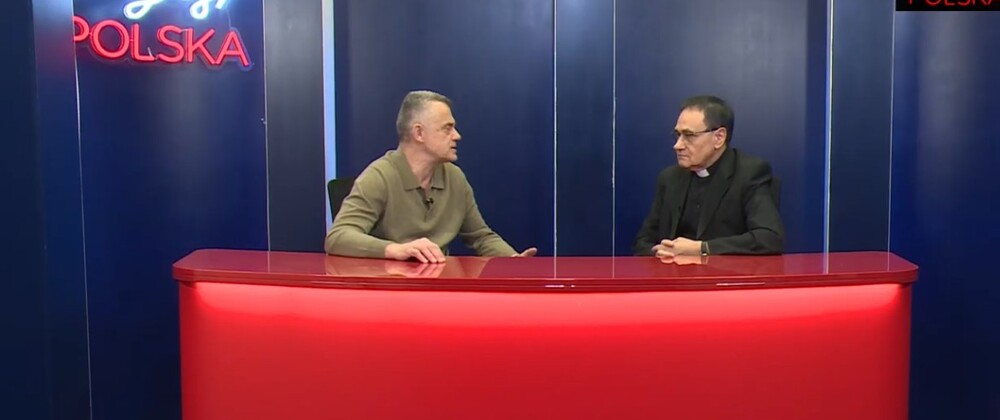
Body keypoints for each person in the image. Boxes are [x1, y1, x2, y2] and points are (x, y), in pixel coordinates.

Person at [325, 90, 537, 263]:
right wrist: (395, 249)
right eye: (447, 128)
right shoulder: (379, 176)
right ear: (419, 133)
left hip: (438, 286)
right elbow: (338, 237)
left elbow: (481, 236)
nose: (457, 136)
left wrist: (513, 261)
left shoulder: (454, 177)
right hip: (390, 289)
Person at [633, 95, 784, 257]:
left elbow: (769, 238)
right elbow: (643, 242)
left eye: (689, 135)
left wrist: (702, 248)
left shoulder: (750, 173)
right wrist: (659, 252)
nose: (677, 145)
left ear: (719, 137)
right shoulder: (669, 178)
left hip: (725, 272)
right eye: (677, 135)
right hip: (673, 271)